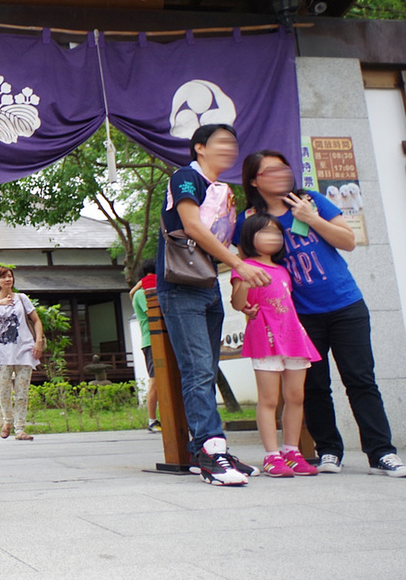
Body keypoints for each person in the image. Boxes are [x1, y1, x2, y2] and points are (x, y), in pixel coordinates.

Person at [237, 150, 405, 478]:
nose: (280, 174)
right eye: (270, 171)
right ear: (255, 180)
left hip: (345, 304)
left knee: (361, 379)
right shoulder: (251, 219)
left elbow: (348, 241)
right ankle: (329, 450)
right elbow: (246, 266)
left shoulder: (311, 200)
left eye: (283, 168)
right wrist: (247, 302)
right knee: (314, 385)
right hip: (298, 317)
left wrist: (310, 217)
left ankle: (381, 452)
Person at [156, 123, 269, 486]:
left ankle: (204, 448)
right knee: (198, 369)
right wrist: (238, 265)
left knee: (206, 366)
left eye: (234, 144)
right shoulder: (187, 178)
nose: (230, 149)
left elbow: (231, 238)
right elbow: (192, 225)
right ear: (200, 148)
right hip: (181, 285)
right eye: (222, 142)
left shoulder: (225, 191)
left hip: (205, 284)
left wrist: (241, 283)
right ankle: (210, 448)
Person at [229, 214, 321, 477]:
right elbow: (237, 304)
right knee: (269, 399)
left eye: (277, 233)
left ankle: (292, 451)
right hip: (264, 337)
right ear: (250, 237)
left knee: (296, 396)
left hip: (293, 336)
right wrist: (245, 283)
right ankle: (271, 456)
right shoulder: (243, 267)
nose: (273, 237)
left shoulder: (283, 270)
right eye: (266, 232)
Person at [0, 266, 44, 440]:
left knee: (22, 391)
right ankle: (7, 420)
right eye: (3, 277)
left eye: (10, 276)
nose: (8, 279)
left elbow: (36, 320)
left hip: (24, 350)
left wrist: (38, 341)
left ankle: (20, 428)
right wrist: (0, 303)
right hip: (2, 352)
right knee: (3, 391)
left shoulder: (22, 298)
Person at [128, 259, 160, 433]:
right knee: (155, 382)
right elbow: (153, 312)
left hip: (160, 341)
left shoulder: (140, 291)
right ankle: (152, 420)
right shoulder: (142, 294)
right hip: (151, 342)